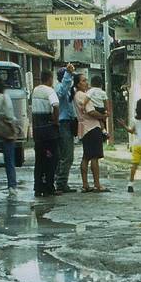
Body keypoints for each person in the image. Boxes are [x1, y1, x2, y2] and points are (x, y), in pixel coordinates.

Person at [28, 68, 60, 196]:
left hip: (37, 131)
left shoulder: (35, 90)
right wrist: (56, 120)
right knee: (52, 158)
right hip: (49, 130)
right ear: (50, 79)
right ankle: (49, 187)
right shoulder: (50, 91)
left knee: (39, 159)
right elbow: (56, 105)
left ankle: (38, 187)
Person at [74, 73, 107, 192]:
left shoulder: (76, 96)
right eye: (83, 81)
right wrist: (103, 116)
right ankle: (97, 184)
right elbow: (91, 111)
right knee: (94, 157)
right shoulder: (82, 95)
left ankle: (85, 184)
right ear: (78, 84)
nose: (86, 83)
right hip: (92, 127)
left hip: (83, 128)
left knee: (86, 156)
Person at [55, 63, 78, 193]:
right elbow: (61, 92)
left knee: (65, 155)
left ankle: (61, 181)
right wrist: (68, 75)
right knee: (67, 155)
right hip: (63, 123)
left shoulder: (69, 90)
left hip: (68, 123)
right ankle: (60, 183)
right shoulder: (60, 88)